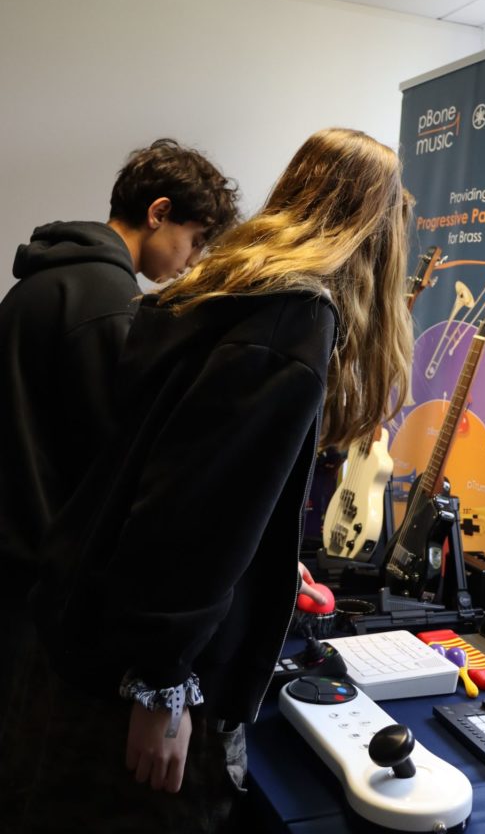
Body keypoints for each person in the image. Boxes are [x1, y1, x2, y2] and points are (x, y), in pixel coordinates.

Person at [3, 127, 413, 833]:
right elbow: (190, 512)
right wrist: (162, 685)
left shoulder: (220, 291)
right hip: (137, 676)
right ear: (372, 230)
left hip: (81, 636)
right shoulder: (293, 317)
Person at [0, 137, 239, 721]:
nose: (193, 259)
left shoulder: (38, 283)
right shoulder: (110, 305)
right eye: (194, 239)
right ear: (158, 213)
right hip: (36, 586)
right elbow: (116, 466)